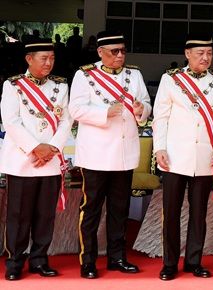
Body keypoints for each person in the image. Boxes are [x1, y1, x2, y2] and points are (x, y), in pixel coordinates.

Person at [68, 31, 152, 279]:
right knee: (91, 209)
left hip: (124, 153)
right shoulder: (85, 75)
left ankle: (117, 258)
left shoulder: (134, 74)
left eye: (123, 51)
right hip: (95, 154)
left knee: (119, 209)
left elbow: (146, 103)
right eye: (114, 52)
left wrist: (141, 109)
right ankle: (88, 260)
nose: (120, 56)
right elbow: (75, 109)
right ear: (100, 52)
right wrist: (106, 112)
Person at [153, 34, 213, 280]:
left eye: (209, 53)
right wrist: (159, 149)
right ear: (187, 54)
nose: (206, 58)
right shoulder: (172, 80)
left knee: (199, 213)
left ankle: (193, 261)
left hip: (205, 157)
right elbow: (161, 117)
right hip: (175, 156)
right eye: (200, 53)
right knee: (172, 213)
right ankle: (169, 263)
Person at [0, 38, 72, 281]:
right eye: (44, 58)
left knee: (45, 215)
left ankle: (40, 260)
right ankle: (15, 261)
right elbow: (11, 121)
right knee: (18, 215)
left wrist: (51, 148)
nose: (49, 63)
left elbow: (66, 121)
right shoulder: (13, 86)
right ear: (29, 59)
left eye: (52, 58)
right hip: (23, 161)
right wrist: (35, 148)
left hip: (50, 161)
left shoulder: (60, 86)